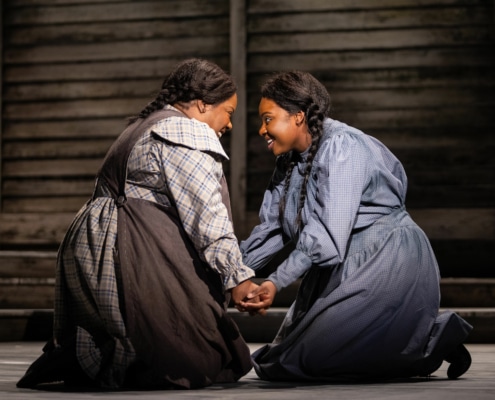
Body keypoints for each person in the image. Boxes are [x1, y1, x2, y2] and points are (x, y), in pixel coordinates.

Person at [17, 58, 258, 390]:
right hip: (125, 250)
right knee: (197, 357)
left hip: (92, 244)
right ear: (203, 103)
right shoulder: (183, 131)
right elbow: (206, 214)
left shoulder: (145, 125)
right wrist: (237, 277)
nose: (229, 124)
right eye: (228, 112)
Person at [238, 70, 473, 382]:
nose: (261, 130)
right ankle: (407, 338)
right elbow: (274, 229)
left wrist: (275, 282)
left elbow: (327, 231)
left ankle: (434, 340)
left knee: (306, 360)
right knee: (283, 361)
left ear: (297, 117)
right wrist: (232, 273)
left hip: (385, 257)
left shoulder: (343, 149)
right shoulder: (290, 161)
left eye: (268, 119)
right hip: (337, 264)